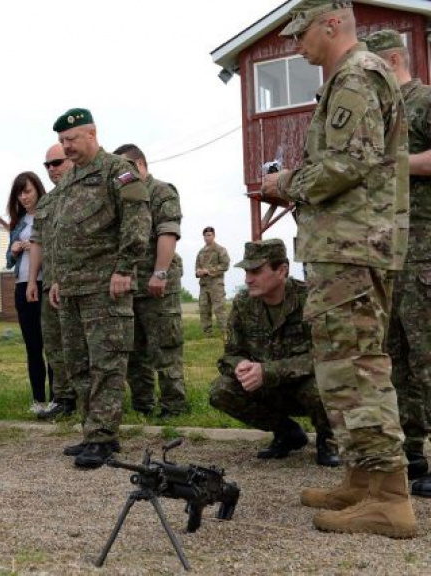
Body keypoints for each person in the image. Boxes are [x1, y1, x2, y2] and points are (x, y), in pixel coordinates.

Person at [260, 0, 416, 538]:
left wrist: (285, 184)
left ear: (331, 24)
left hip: (352, 247)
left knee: (356, 369)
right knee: (343, 365)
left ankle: (390, 499)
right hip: (346, 246)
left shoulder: (356, 76)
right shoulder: (351, 78)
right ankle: (363, 480)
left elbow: (349, 162)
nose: (296, 42)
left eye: (301, 31)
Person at [46, 108, 151, 469]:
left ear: (91, 134)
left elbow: (137, 221)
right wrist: (58, 278)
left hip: (105, 287)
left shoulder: (117, 170)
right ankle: (93, 429)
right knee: (78, 365)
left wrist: (124, 268)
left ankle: (102, 438)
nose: (66, 147)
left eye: (71, 139)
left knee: (107, 363)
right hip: (72, 288)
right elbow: (61, 233)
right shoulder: (71, 178)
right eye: (62, 141)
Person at [365, 29, 431, 497]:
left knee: (427, 357)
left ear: (392, 60)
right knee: (396, 360)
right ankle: (411, 454)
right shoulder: (378, 112)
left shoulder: (424, 101)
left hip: (424, 249)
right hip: (386, 252)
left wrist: (391, 163)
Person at [209, 239, 339, 467]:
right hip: (268, 389)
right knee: (221, 390)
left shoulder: (311, 300)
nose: (248, 279)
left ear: (282, 270)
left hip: (304, 386)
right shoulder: (243, 303)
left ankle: (329, 440)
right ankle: (287, 432)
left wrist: (268, 371)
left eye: (256, 271)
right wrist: (240, 365)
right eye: (247, 272)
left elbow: (327, 356)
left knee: (322, 386)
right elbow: (230, 354)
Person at [114, 143, 188, 418]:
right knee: (135, 351)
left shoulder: (160, 191)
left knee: (165, 347)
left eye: (124, 169)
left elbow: (168, 233)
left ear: (139, 165)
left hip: (157, 285)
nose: (120, 176)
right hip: (131, 285)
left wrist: (160, 273)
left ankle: (174, 405)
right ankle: (142, 404)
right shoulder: (125, 197)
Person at [28, 144, 77, 421]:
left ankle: (90, 399)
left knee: (82, 344)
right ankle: (64, 398)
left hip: (81, 281)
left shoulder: (85, 193)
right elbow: (37, 242)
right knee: (55, 344)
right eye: (47, 165)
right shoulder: (46, 203)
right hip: (50, 285)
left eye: (57, 163)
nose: (51, 169)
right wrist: (32, 280)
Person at [6, 171, 52, 414]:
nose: (23, 197)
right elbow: (8, 261)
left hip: (46, 283)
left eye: (27, 191)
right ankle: (38, 399)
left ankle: (58, 398)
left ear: (38, 190)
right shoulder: (19, 222)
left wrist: (35, 246)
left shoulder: (50, 214)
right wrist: (14, 250)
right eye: (19, 194)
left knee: (52, 344)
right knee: (33, 346)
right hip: (23, 285)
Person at [195, 227, 230, 336]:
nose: (207, 237)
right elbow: (197, 266)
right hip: (204, 284)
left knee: (219, 309)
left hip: (216, 284)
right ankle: (207, 334)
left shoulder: (220, 249)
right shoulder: (201, 252)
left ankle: (226, 333)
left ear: (214, 236)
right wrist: (198, 272)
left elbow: (225, 265)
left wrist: (208, 271)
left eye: (209, 235)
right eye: (205, 235)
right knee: (204, 309)